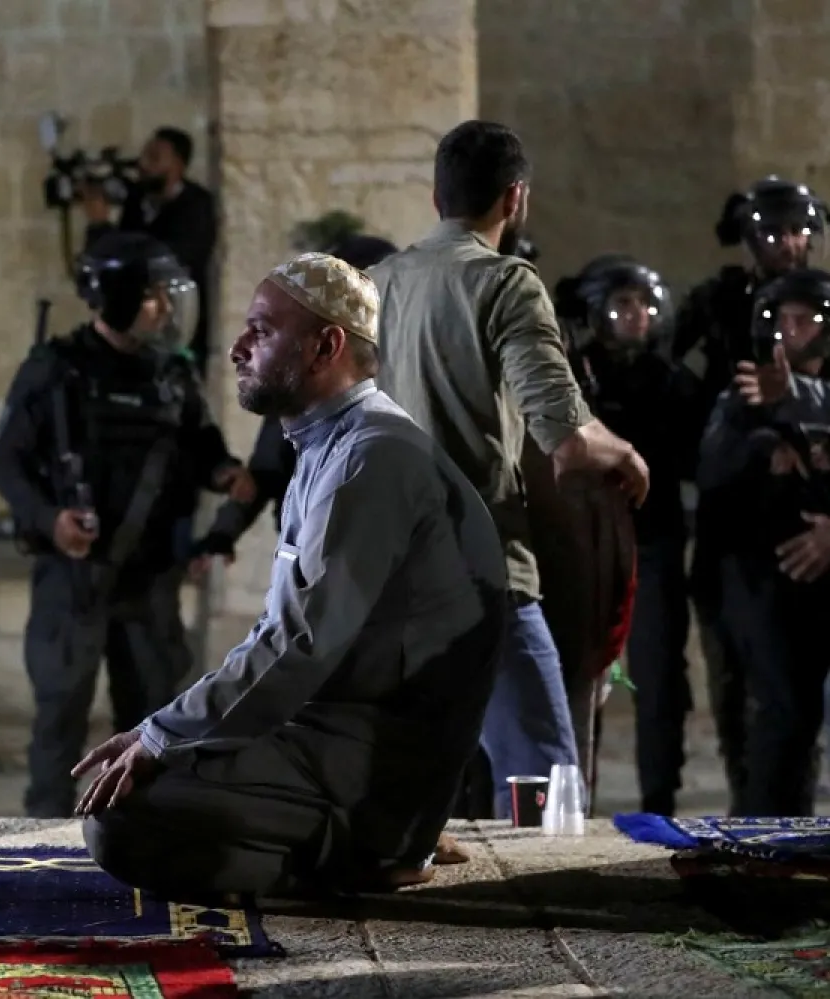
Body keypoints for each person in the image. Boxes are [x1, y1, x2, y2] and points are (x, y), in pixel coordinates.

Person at [75, 253, 506, 899]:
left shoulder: (372, 456)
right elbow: (286, 634)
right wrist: (163, 730)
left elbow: (297, 647)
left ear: (325, 345)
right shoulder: (329, 443)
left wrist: (163, 734)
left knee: (119, 822)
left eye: (261, 330)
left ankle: (379, 846)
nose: (238, 348)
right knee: (146, 775)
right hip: (328, 733)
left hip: (371, 756)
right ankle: (371, 837)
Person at [366, 120, 650, 821]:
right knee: (545, 776)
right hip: (479, 566)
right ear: (515, 199)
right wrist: (627, 453)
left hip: (384, 569)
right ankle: (539, 905)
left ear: (436, 195)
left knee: (410, 762)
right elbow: (568, 439)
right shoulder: (504, 282)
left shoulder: (376, 284)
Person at [0, 231, 252, 819]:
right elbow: (7, 461)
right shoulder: (55, 370)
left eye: (167, 295)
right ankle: (45, 840)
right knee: (60, 720)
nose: (164, 308)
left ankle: (148, 830)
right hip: (73, 579)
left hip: (150, 579)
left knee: (157, 720)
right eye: (153, 295)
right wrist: (50, 520)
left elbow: (202, 446)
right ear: (118, 296)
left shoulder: (172, 375)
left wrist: (227, 475)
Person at [673, 176, 826, 813]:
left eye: (800, 231)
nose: (788, 244)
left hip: (809, 536)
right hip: (736, 535)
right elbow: (688, 422)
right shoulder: (717, 307)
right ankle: (754, 831)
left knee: (791, 706)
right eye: (773, 232)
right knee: (742, 696)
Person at [552, 256, 700, 815]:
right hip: (588, 548)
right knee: (583, 677)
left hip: (654, 544)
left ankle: (659, 800)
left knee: (659, 679)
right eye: (623, 305)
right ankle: (577, 799)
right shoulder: (572, 378)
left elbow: (694, 460)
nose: (637, 315)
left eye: (645, 305)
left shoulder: (672, 381)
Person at [194, 234, 400, 564]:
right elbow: (267, 465)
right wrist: (223, 533)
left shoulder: (405, 370)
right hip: (313, 551)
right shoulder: (310, 371)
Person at [83, 127, 218, 372]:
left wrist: (101, 226)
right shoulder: (137, 203)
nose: (143, 165)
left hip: (177, 335)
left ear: (178, 164)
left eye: (155, 157)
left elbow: (158, 261)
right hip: (132, 332)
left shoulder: (196, 205)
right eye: (144, 156)